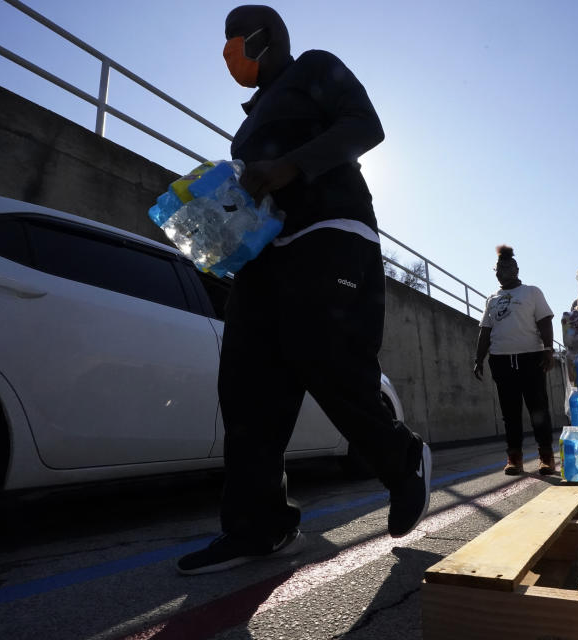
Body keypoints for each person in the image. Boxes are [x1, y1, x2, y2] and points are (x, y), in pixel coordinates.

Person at [177, 5, 431, 575]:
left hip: (331, 234)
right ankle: (258, 527)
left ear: (268, 38)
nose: (229, 53)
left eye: (236, 40)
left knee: (331, 361)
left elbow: (367, 126)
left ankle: (402, 458)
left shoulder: (315, 67)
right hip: (265, 255)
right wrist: (217, 228)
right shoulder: (247, 123)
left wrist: (293, 165)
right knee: (245, 390)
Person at [473, 245, 557, 475]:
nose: (502, 271)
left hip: (531, 358)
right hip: (501, 361)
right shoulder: (492, 299)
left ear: (516, 269)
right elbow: (485, 331)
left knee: (538, 408)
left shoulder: (531, 292)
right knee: (509, 413)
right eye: (499, 268)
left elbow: (545, 321)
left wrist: (548, 349)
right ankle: (514, 458)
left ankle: (546, 456)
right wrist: (479, 358)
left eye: (507, 267)